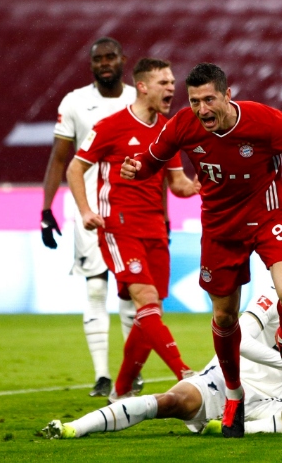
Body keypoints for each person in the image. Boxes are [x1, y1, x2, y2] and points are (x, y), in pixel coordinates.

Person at [121, 63, 282, 438]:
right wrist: (136, 168)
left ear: (227, 95)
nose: (201, 109)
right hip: (220, 228)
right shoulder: (183, 124)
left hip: (268, 215)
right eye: (195, 101)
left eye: (209, 99)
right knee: (225, 317)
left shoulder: (264, 121)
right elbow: (152, 162)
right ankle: (234, 395)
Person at [42, 236, 282, 439]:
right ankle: (73, 427)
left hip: (269, 403)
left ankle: (229, 429)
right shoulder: (274, 295)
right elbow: (236, 341)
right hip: (225, 382)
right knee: (170, 402)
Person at [66, 58, 200, 398]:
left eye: (172, 82)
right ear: (142, 86)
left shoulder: (167, 130)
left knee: (150, 312)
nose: (172, 88)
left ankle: (122, 389)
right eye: (164, 82)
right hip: (119, 225)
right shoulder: (110, 126)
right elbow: (74, 169)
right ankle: (184, 372)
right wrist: (86, 211)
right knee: (147, 299)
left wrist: (200, 185)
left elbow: (178, 184)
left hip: (156, 228)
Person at [40, 37, 139, 397]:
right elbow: (59, 159)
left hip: (132, 207)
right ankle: (101, 375)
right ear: (92, 64)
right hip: (89, 209)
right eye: (98, 59)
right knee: (96, 287)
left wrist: (163, 214)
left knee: (129, 291)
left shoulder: (139, 100)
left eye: (110, 57)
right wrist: (46, 209)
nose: (104, 63)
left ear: (123, 59)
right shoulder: (75, 102)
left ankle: (131, 372)